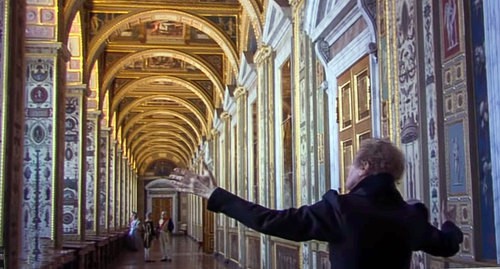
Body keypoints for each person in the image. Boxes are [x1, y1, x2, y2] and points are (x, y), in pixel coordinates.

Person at [168, 138, 463, 269]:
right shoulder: (410, 215)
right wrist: (449, 222)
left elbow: (269, 221)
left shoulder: (342, 210)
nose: (347, 172)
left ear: (366, 167)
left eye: (352, 165)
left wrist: (214, 193)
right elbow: (447, 244)